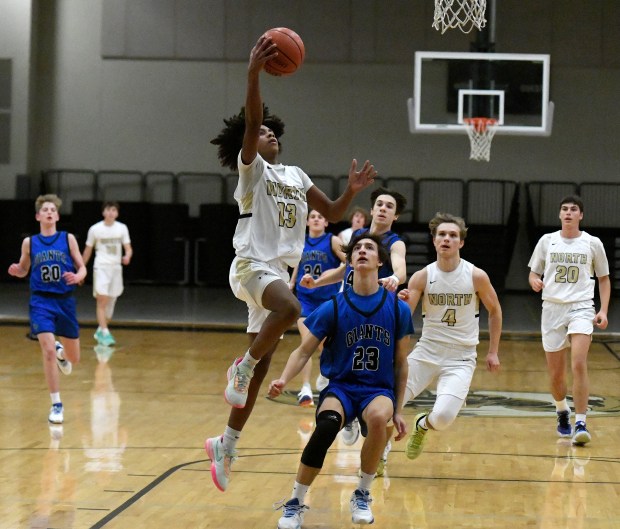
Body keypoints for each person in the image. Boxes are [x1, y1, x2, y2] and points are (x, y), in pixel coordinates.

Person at [204, 33, 377, 493]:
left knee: (260, 374)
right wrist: (253, 73)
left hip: (275, 274)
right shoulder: (251, 171)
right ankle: (241, 365)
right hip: (250, 265)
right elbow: (253, 119)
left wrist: (353, 191)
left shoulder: (296, 176)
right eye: (262, 131)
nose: (269, 133)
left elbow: (335, 213)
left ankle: (226, 443)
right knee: (292, 311)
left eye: (272, 130)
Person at [268, 232, 413, 528]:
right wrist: (283, 379)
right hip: (341, 386)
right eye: (356, 248)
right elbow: (304, 349)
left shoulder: (397, 308)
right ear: (349, 260)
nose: (361, 251)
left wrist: (398, 410)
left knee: (377, 419)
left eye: (369, 248)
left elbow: (401, 363)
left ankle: (361, 493)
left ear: (380, 261)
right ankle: (296, 501)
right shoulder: (333, 306)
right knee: (326, 427)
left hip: (377, 389)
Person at [300, 186, 408, 444]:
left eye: (389, 206)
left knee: (377, 371)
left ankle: (376, 431)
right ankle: (347, 417)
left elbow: (401, 267)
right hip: (347, 310)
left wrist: (394, 278)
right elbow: (341, 270)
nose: (383, 208)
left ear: (395, 217)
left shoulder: (395, 242)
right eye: (379, 204)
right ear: (371, 210)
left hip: (375, 314)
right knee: (334, 360)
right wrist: (316, 282)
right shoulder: (358, 237)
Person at [395, 212, 502, 465]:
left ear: (461, 243)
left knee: (442, 418)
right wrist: (396, 303)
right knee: (388, 403)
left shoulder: (476, 275)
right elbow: (402, 318)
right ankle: (381, 456)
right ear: (433, 240)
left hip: (461, 356)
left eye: (453, 235)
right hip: (427, 350)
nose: (446, 239)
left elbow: (495, 310)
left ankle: (423, 423)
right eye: (441, 234)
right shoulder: (422, 276)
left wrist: (493, 351)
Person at [528, 195, 609, 445]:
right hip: (552, 308)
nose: (569, 213)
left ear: (581, 215)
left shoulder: (593, 243)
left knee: (578, 363)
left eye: (574, 209)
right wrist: (534, 281)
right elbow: (533, 272)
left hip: (581, 307)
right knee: (556, 375)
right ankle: (562, 410)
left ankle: (581, 421)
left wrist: (603, 310)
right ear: (559, 214)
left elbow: (604, 278)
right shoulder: (547, 241)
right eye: (564, 209)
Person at [8, 194, 87, 424]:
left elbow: (82, 267)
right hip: (41, 301)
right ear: (38, 216)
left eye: (53, 209)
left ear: (58, 215)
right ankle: (56, 405)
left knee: (75, 358)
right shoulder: (29, 243)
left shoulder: (68, 238)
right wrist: (17, 271)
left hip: (65, 301)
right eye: (45, 210)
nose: (50, 212)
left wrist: (78, 275)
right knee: (47, 351)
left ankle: (64, 353)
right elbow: (24, 269)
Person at [289, 209, 346, 406]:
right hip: (305, 300)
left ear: (326, 223)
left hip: (327, 300)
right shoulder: (301, 241)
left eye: (320, 217)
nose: (315, 219)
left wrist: (330, 275)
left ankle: (327, 377)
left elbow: (348, 262)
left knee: (325, 345)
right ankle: (305, 388)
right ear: (306, 222)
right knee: (307, 342)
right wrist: (292, 281)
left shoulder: (333, 241)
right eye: (312, 217)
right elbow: (298, 262)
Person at [82, 201, 132, 347]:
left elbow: (128, 248)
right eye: (108, 210)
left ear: (117, 213)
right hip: (101, 267)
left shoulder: (122, 228)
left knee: (111, 303)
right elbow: (87, 251)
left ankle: (100, 329)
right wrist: (81, 269)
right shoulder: (95, 229)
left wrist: (127, 256)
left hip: (116, 269)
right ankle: (105, 331)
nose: (111, 213)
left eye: (114, 210)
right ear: (103, 212)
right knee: (101, 299)